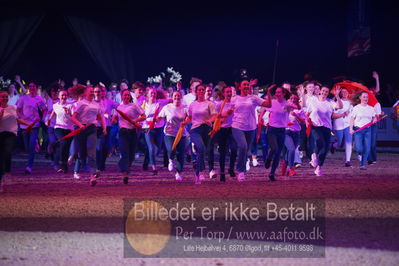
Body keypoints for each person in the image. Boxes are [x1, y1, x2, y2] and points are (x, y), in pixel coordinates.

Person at [230, 79, 272, 182]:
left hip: (251, 128)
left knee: (246, 150)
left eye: (247, 85)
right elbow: (230, 112)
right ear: (239, 87)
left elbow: (268, 105)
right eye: (244, 84)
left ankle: (243, 167)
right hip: (237, 126)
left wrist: (269, 93)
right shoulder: (234, 99)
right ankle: (240, 171)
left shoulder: (253, 98)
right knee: (243, 146)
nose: (246, 86)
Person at [70, 85, 106, 186]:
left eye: (92, 92)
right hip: (81, 129)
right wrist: (80, 125)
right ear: (85, 93)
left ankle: (92, 176)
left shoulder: (96, 104)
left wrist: (104, 127)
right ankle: (74, 157)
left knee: (92, 152)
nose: (92, 93)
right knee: (82, 154)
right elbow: (73, 118)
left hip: (91, 129)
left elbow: (99, 117)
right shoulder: (81, 104)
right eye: (90, 92)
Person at [184, 83, 217, 184]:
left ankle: (200, 171)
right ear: (196, 92)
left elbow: (214, 116)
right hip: (195, 129)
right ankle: (199, 173)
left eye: (203, 90)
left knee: (203, 151)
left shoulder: (209, 104)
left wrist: (209, 120)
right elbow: (189, 117)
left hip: (206, 129)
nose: (201, 91)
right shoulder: (192, 105)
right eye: (200, 90)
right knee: (201, 148)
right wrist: (184, 123)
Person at [306, 86, 343, 176]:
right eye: (323, 91)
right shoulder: (313, 100)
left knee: (325, 148)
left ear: (328, 93)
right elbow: (307, 113)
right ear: (320, 91)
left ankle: (318, 168)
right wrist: (307, 121)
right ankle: (314, 155)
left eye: (326, 91)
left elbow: (340, 106)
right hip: (315, 125)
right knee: (319, 141)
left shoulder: (330, 102)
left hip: (326, 127)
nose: (324, 93)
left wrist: (337, 96)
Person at [265, 87, 299, 180]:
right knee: (274, 148)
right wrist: (268, 92)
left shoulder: (287, 103)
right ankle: (268, 158)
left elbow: (297, 107)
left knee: (278, 153)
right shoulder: (272, 102)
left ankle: (272, 173)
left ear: (284, 94)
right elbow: (264, 107)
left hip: (282, 130)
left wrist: (295, 103)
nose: (277, 94)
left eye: (279, 92)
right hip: (272, 130)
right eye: (276, 92)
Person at [112, 89, 145, 184]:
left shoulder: (134, 105)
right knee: (125, 153)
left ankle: (123, 164)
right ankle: (125, 174)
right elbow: (114, 119)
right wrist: (113, 120)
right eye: (125, 95)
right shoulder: (119, 107)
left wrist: (136, 120)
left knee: (131, 155)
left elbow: (144, 116)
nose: (126, 97)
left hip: (133, 132)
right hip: (123, 132)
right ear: (121, 96)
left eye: (128, 95)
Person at [0, 91, 30, 191]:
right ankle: (1, 181)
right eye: (2, 97)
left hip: (11, 133)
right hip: (1, 134)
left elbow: (16, 119)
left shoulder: (12, 107)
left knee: (7, 152)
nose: (4, 98)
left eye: (6, 96)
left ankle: (7, 173)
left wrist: (27, 123)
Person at [16, 82, 48, 174]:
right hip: (24, 125)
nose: (32, 88)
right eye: (30, 86)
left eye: (33, 86)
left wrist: (42, 118)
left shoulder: (39, 99)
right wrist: (23, 116)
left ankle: (29, 166)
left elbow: (45, 110)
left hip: (35, 125)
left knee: (31, 145)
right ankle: (34, 147)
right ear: (28, 88)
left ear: (36, 88)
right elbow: (18, 110)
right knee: (27, 146)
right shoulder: (23, 98)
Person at [158, 91, 189, 181]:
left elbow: (189, 117)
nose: (177, 97)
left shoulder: (184, 108)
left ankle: (179, 172)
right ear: (172, 97)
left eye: (178, 96)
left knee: (180, 154)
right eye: (175, 96)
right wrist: (156, 119)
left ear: (181, 97)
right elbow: (160, 117)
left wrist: (186, 121)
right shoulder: (167, 107)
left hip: (181, 133)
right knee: (171, 149)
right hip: (169, 133)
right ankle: (171, 159)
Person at [142, 88, 170, 175]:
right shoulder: (143, 105)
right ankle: (154, 168)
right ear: (147, 94)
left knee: (157, 150)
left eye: (154, 93)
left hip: (159, 128)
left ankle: (148, 160)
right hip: (148, 128)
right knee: (152, 148)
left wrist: (178, 89)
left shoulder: (160, 103)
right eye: (151, 93)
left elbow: (171, 100)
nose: (153, 94)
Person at [213, 86, 238, 182]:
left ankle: (231, 168)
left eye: (230, 92)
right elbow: (216, 117)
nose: (229, 93)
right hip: (222, 129)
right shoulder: (219, 105)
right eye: (227, 92)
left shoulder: (234, 104)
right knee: (222, 152)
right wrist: (223, 116)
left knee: (234, 149)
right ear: (223, 93)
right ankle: (222, 172)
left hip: (233, 128)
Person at [46, 90, 74, 173]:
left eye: (65, 95)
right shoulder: (55, 105)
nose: (64, 97)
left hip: (69, 129)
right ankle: (61, 162)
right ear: (59, 96)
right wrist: (49, 120)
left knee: (67, 147)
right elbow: (53, 113)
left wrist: (68, 113)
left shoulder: (70, 105)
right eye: (62, 95)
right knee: (63, 142)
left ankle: (64, 166)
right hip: (58, 127)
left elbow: (73, 117)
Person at [94, 85, 119, 171]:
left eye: (104, 91)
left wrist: (115, 115)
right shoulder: (94, 102)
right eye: (101, 91)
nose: (103, 93)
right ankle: (98, 166)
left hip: (107, 126)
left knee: (106, 147)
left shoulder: (109, 102)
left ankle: (101, 164)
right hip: (97, 126)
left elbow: (120, 107)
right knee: (99, 146)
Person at [350, 91, 376, 170]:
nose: (366, 98)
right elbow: (352, 119)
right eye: (364, 97)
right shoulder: (356, 108)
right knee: (359, 148)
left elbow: (374, 117)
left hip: (368, 130)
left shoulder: (371, 108)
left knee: (367, 148)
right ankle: (358, 151)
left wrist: (374, 119)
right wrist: (351, 128)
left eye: (367, 97)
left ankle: (362, 165)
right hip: (358, 129)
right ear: (360, 97)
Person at [281, 93, 306, 176]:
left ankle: (285, 163)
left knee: (290, 151)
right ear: (288, 99)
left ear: (297, 100)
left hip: (296, 133)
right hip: (286, 132)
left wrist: (296, 115)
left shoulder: (299, 110)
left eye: (295, 98)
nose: (293, 100)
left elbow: (303, 122)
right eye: (291, 98)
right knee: (291, 149)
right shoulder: (284, 108)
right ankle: (291, 168)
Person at [331, 88, 353, 167]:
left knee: (348, 142)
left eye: (345, 91)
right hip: (338, 125)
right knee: (340, 143)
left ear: (348, 93)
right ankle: (334, 145)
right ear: (340, 93)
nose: (344, 93)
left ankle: (347, 161)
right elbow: (333, 116)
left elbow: (353, 115)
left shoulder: (351, 103)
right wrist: (343, 114)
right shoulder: (337, 103)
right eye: (342, 92)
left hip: (348, 125)